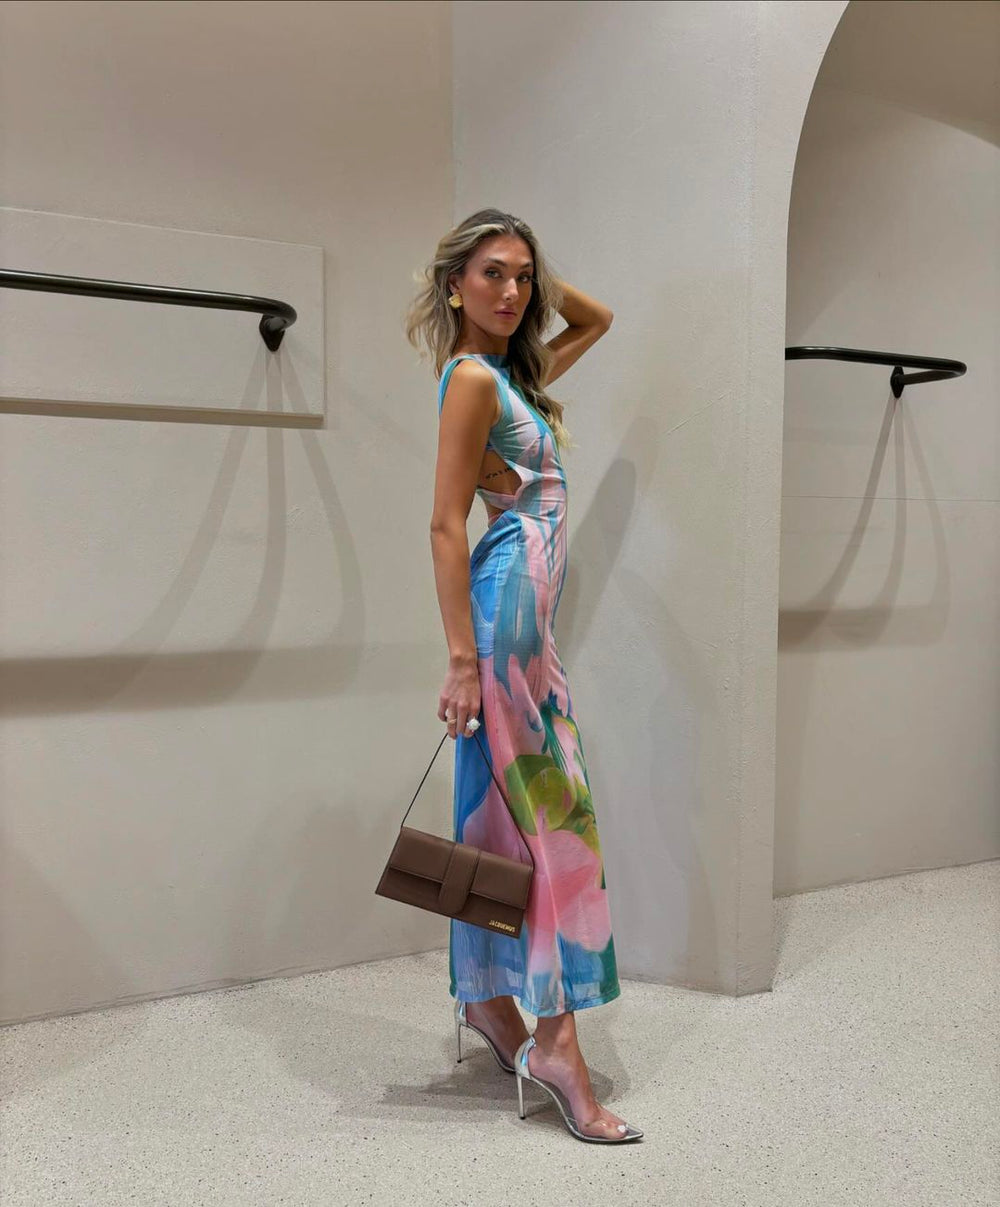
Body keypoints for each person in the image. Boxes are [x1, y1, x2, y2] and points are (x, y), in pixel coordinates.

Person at [404, 209, 642, 1143]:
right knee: (557, 822)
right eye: (491, 273)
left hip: (528, 628)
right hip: (503, 625)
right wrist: (463, 660)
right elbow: (444, 523)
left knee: (502, 821)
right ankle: (558, 1045)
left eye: (522, 276)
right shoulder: (471, 379)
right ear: (453, 283)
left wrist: (526, 254)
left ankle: (490, 1003)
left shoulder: (509, 378)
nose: (511, 291)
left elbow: (596, 319)